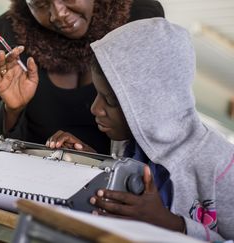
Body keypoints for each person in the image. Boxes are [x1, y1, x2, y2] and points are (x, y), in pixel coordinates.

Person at [46, 18, 234, 240]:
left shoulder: (221, 164)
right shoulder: (127, 142)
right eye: (97, 94)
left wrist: (173, 225)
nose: (96, 108)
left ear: (152, 104)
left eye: (110, 101)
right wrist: (96, 169)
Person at [0, 0, 165, 161]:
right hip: (22, 174)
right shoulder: (11, 28)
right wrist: (12, 110)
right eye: (40, 4)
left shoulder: (138, 18)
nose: (58, 14)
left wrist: (96, 164)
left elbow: (153, 127)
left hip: (105, 186)